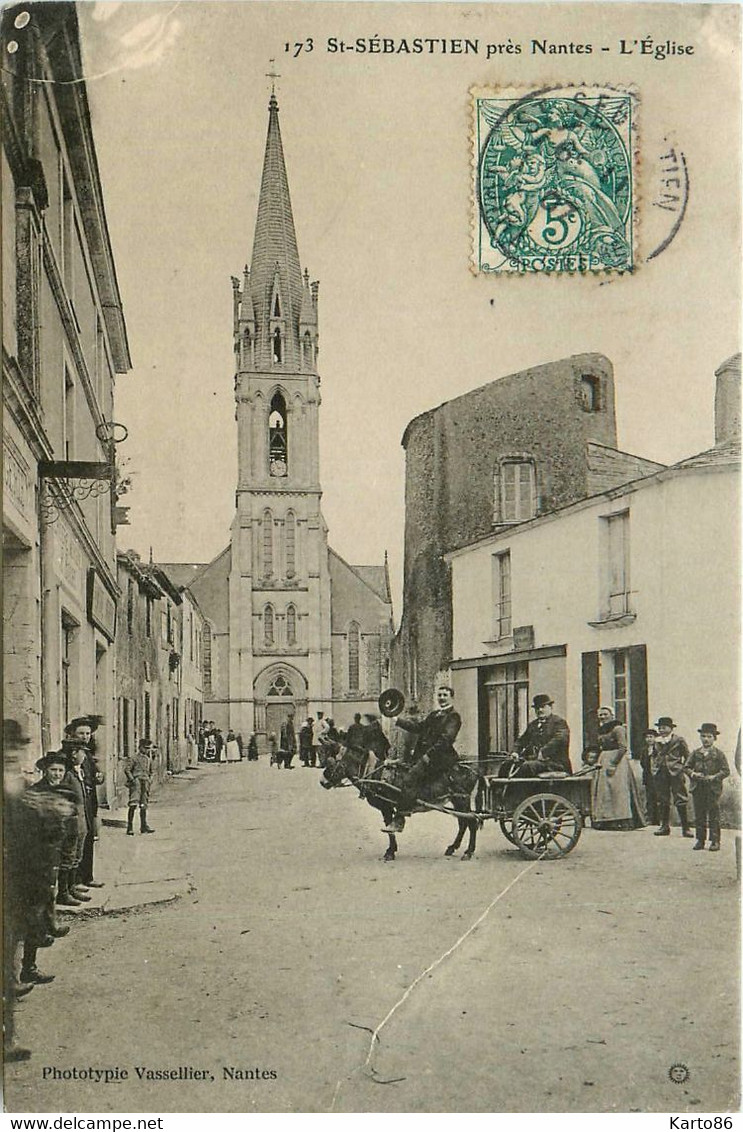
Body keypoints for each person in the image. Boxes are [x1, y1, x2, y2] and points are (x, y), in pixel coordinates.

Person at [385, 686, 462, 831]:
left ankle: (400, 818)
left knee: (409, 778)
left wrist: (427, 756)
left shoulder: (453, 716)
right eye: (439, 694)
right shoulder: (434, 715)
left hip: (441, 758)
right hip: (426, 757)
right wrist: (396, 720)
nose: (442, 697)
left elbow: (446, 740)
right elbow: (418, 727)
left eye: (445, 695)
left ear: (452, 697)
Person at [584, 707, 644, 830]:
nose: (602, 717)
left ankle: (622, 821)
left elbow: (623, 747)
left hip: (617, 761)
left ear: (612, 715)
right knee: (605, 791)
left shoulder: (618, 728)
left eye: (605, 714)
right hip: (603, 760)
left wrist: (613, 764)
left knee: (618, 791)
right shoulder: (602, 730)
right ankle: (607, 820)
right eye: (600, 715)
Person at [64, 718, 104, 889]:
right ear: (73, 733)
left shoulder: (86, 754)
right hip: (76, 804)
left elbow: (93, 775)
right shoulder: (67, 755)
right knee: (76, 841)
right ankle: (76, 881)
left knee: (88, 838)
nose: (85, 736)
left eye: (88, 733)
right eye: (81, 733)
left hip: (89, 802)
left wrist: (100, 777)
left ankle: (87, 876)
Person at [685, 724, 730, 851]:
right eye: (703, 736)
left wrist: (714, 776)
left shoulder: (719, 754)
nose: (706, 739)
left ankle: (715, 841)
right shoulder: (695, 753)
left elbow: (726, 771)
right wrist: (693, 774)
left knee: (713, 815)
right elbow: (686, 767)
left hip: (712, 789)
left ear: (714, 738)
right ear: (700, 737)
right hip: (698, 788)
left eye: (709, 736)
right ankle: (700, 840)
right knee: (699, 815)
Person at [651, 716, 692, 837]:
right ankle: (664, 826)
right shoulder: (657, 741)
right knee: (663, 799)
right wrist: (655, 768)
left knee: (680, 798)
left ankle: (686, 827)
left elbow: (687, 756)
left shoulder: (679, 740)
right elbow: (654, 756)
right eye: (659, 728)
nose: (661, 730)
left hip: (675, 773)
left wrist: (682, 768)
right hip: (661, 773)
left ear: (671, 728)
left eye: (664, 728)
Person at [513, 694, 572, 774]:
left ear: (551, 707)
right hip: (540, 763)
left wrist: (543, 752)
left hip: (556, 764)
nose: (540, 710)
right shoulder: (533, 725)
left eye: (543, 707)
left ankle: (520, 786)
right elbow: (522, 740)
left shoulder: (559, 722)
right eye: (537, 708)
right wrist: (515, 752)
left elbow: (560, 739)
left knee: (527, 766)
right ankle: (500, 786)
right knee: (507, 764)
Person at [124, 739, 156, 835]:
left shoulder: (148, 759)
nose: (147, 751)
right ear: (140, 747)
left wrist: (150, 780)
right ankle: (130, 827)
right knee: (133, 804)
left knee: (143, 805)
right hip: (136, 783)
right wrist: (132, 780)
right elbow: (127, 770)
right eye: (145, 748)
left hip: (145, 783)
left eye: (148, 749)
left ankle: (143, 826)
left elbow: (152, 772)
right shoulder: (134, 758)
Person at [636, 727, 660, 825]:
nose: (649, 739)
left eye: (651, 737)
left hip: (658, 777)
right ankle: (651, 818)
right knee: (650, 798)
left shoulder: (659, 749)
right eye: (647, 737)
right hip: (648, 777)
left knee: (659, 798)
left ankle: (660, 819)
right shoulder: (644, 750)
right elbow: (642, 762)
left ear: (655, 738)